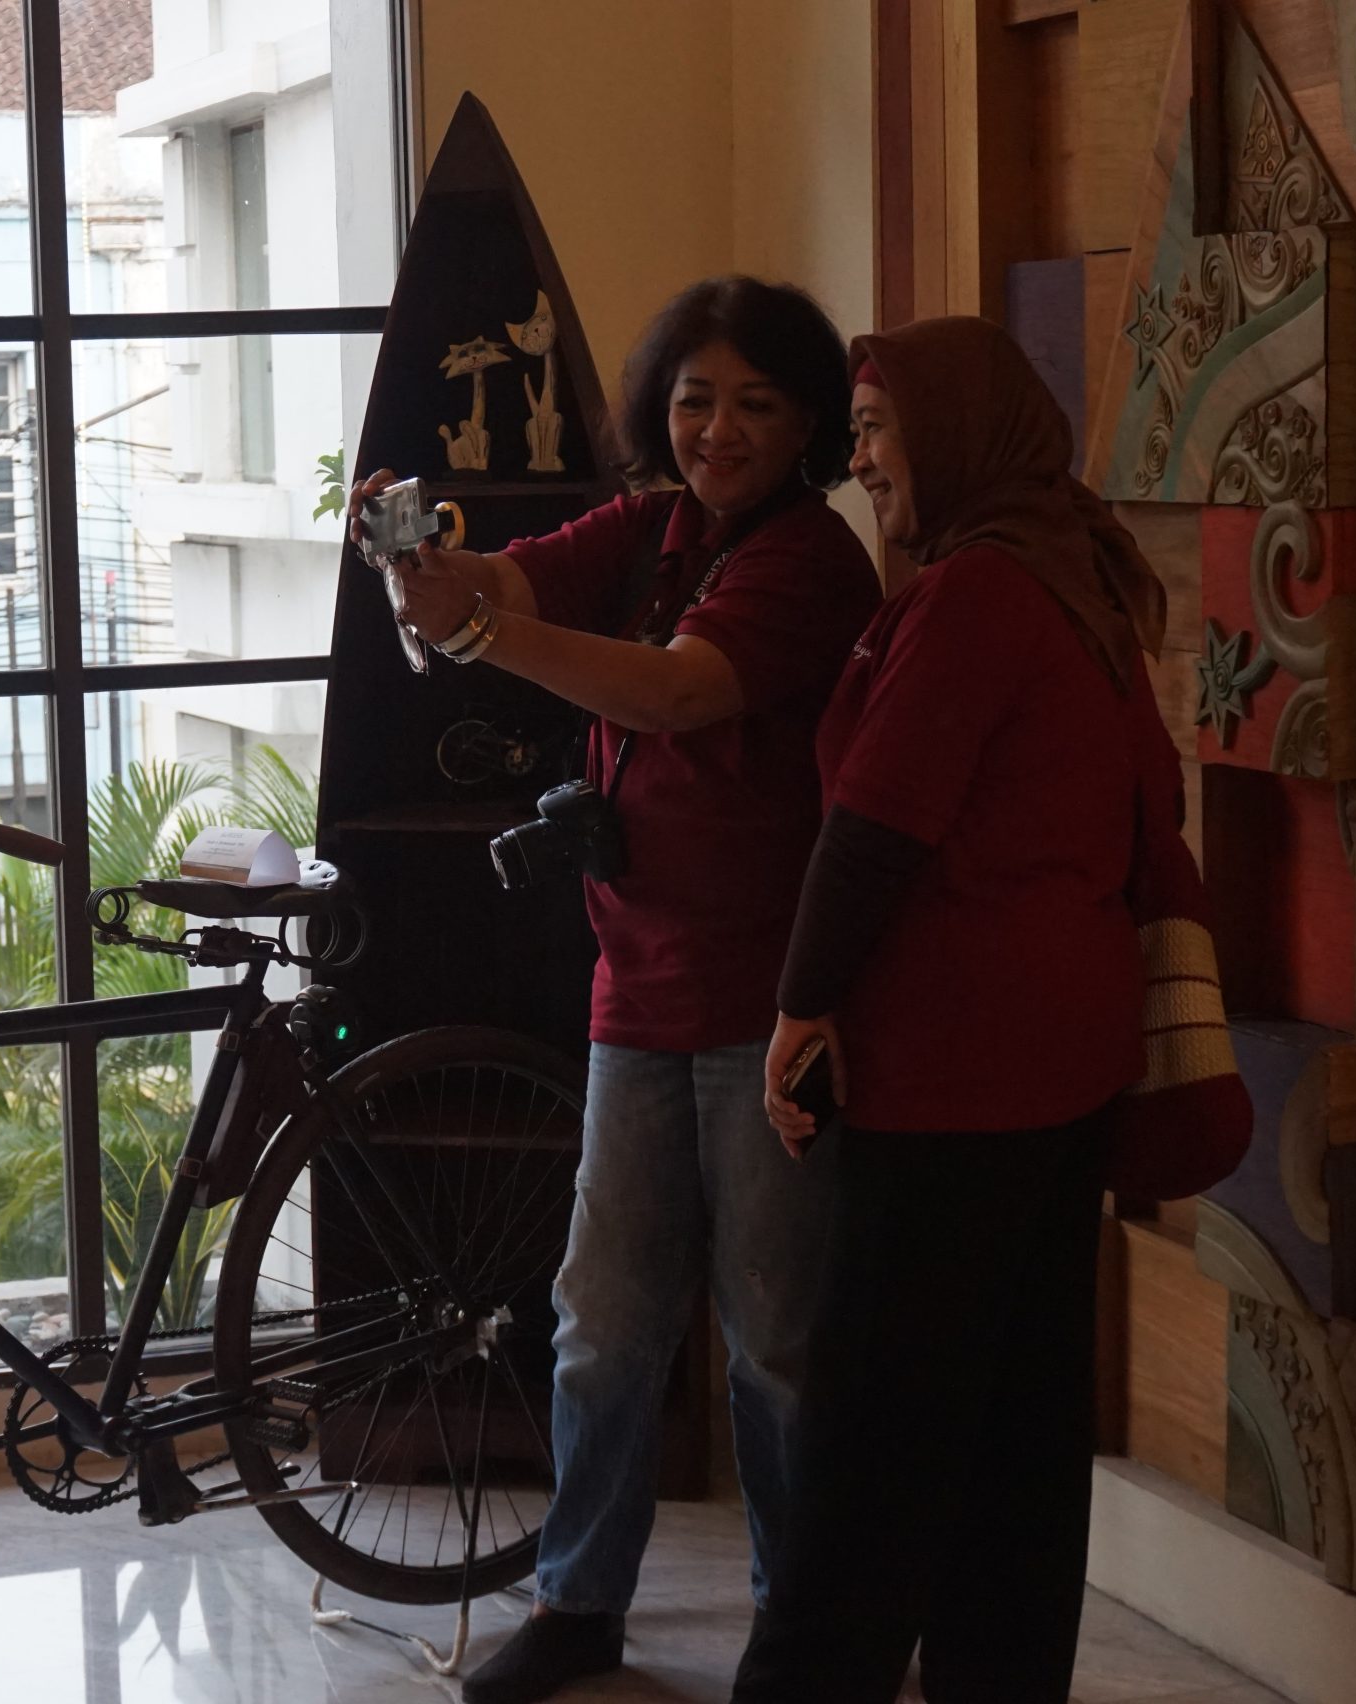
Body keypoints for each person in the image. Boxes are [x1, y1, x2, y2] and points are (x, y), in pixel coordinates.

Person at [354, 275, 881, 1704]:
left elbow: (673, 693)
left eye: (756, 405)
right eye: (697, 400)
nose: (719, 430)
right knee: (600, 1324)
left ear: (809, 427)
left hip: (771, 1004)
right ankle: (580, 1603)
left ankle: (800, 1628)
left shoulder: (811, 562)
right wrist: (428, 571)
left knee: (775, 1342)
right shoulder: (652, 530)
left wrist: (476, 635)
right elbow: (510, 583)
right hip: (636, 989)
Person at [731, 316, 1173, 1704]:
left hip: (954, 1086)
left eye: (875, 432)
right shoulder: (1079, 575)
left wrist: (799, 1011)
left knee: (865, 1462)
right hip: (1064, 1076)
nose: (859, 461)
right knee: (1015, 1452)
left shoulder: (976, 596)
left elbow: (873, 829)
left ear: (954, 435)